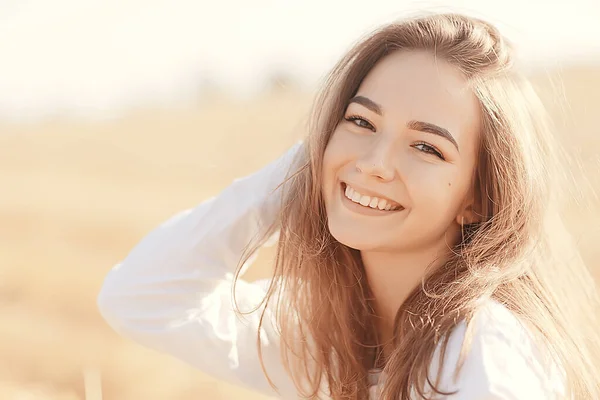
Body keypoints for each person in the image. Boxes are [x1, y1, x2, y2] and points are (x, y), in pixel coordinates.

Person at [97, 12, 600, 400]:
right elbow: (140, 298)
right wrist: (313, 165)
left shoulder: (484, 351)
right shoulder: (319, 330)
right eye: (360, 122)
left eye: (427, 147)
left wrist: (339, 157)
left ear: (477, 197)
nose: (375, 163)